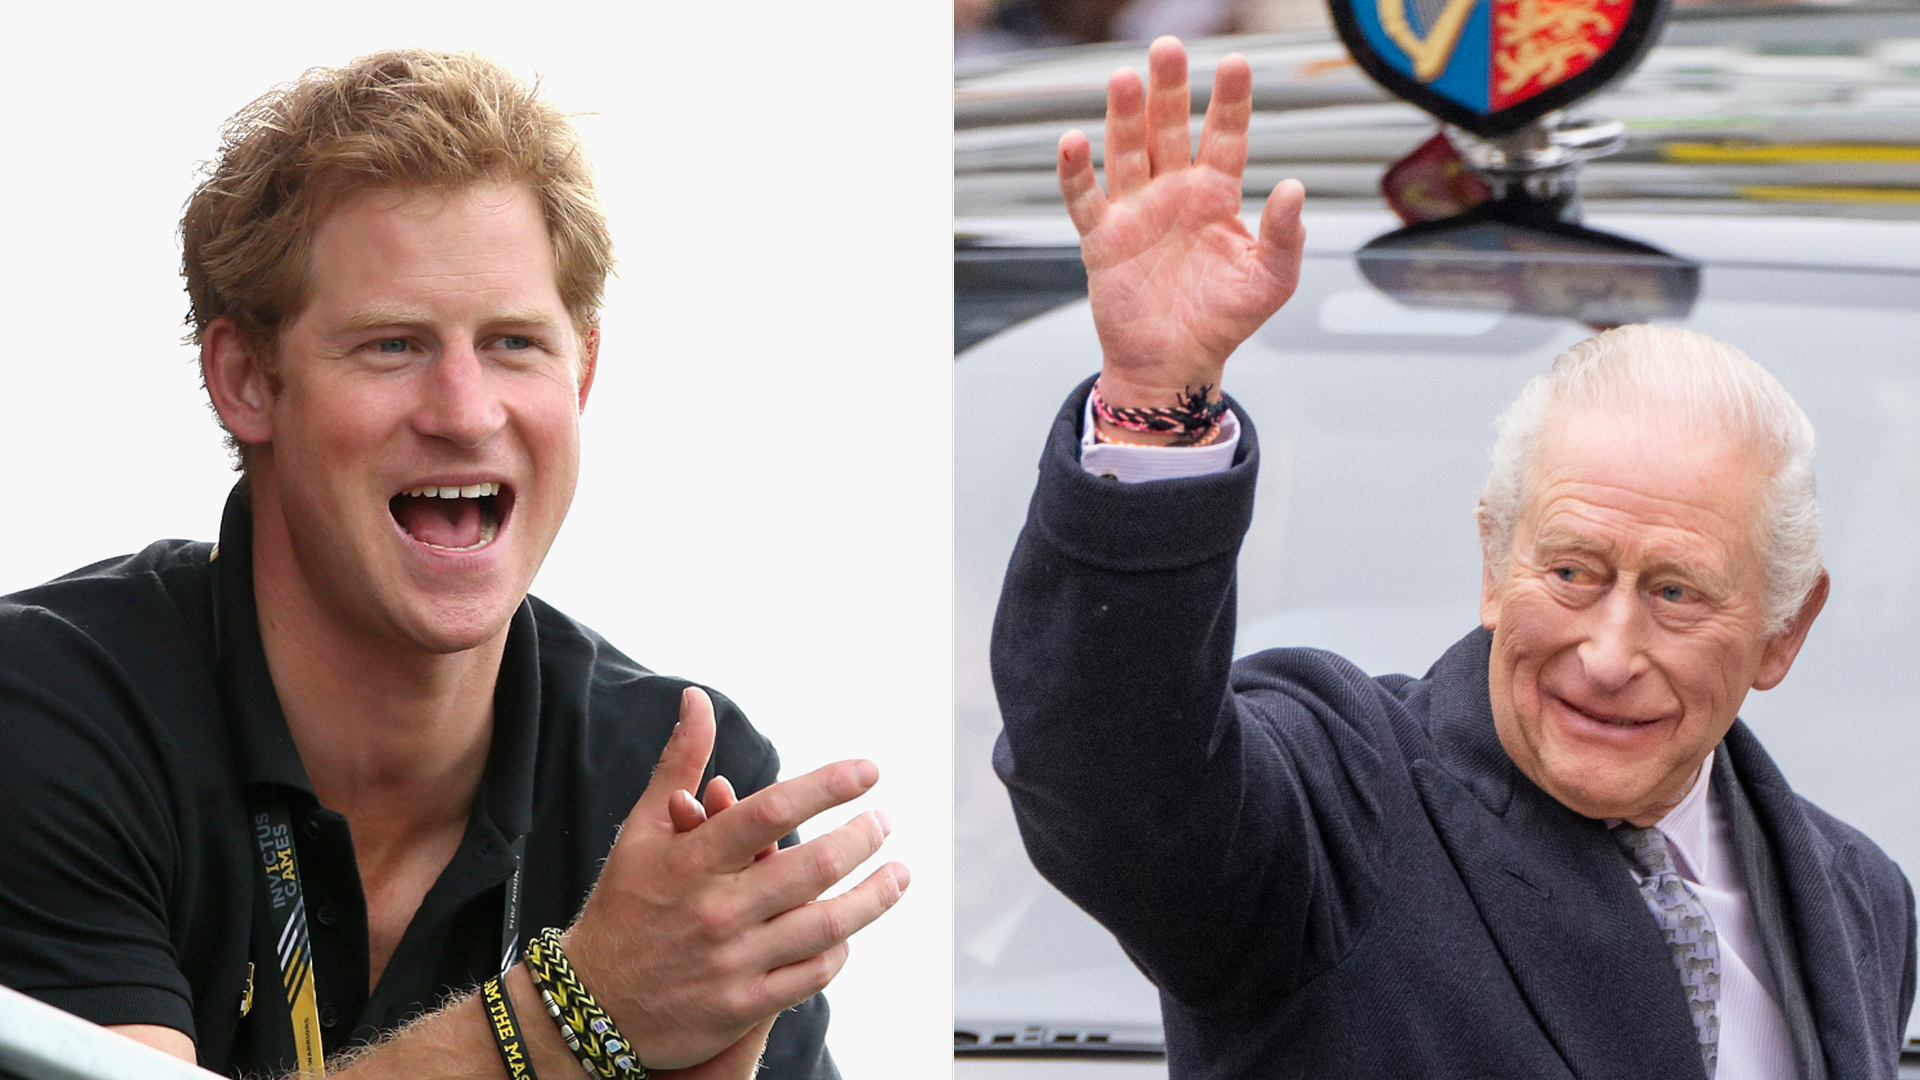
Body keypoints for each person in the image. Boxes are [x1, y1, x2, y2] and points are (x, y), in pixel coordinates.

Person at [990, 35, 1915, 1079]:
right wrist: (1156, 404)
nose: (1608, 654)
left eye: (1675, 592)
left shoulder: (1857, 898)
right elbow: (1117, 787)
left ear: (1784, 629)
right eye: (1571, 572)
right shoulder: (1340, 812)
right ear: (1492, 562)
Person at [0, 50, 907, 1080]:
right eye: (393, 346)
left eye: (516, 343)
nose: (466, 412)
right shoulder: (47, 714)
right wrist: (569, 1019)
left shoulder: (675, 779)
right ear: (247, 380)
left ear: (584, 373)